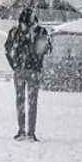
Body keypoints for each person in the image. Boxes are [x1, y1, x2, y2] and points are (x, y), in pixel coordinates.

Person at [4, 7, 52, 141]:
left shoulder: (15, 32)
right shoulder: (41, 31)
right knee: (32, 102)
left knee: (20, 100)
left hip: (19, 70)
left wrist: (14, 65)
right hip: (34, 71)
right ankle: (31, 132)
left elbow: (7, 49)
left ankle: (21, 130)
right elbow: (47, 49)